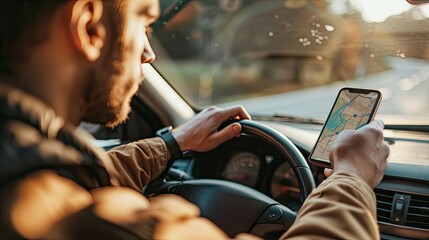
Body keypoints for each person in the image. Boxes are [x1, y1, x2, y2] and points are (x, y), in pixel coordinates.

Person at [0, 0, 389, 239]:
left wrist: (173, 143)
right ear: (89, 27)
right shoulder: (79, 223)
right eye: (144, 21)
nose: (149, 52)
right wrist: (352, 178)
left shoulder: (25, 164)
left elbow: (76, 176)